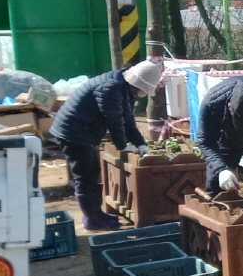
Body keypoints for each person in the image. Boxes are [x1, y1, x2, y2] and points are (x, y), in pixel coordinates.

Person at [50, 60, 162, 231]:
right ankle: (92, 218)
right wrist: (123, 145)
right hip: (73, 132)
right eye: (145, 91)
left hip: (82, 130)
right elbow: (115, 121)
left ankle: (96, 213)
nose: (144, 95)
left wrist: (141, 144)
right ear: (139, 85)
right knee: (85, 173)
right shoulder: (111, 88)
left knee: (92, 171)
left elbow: (128, 121)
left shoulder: (123, 88)